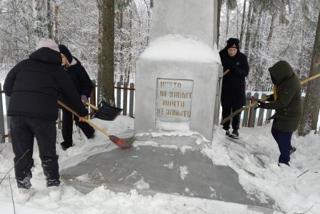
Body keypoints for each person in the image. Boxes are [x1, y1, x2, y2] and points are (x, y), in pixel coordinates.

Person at [4, 39, 88, 189]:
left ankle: (23, 187)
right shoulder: (57, 71)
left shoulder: (22, 65)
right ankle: (53, 186)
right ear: (56, 53)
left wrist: (22, 96)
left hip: (18, 116)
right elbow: (71, 94)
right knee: (47, 152)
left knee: (22, 153)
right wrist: (82, 113)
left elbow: (7, 87)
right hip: (43, 117)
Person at [256, 60, 302, 166]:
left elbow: (281, 103)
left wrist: (264, 105)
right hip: (284, 113)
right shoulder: (285, 81)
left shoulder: (291, 85)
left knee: (283, 137)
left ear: (281, 74)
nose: (273, 79)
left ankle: (284, 161)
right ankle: (288, 148)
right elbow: (280, 96)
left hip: (290, 115)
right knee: (275, 131)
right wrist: (270, 98)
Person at [58, 44, 95, 150]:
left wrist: (84, 95)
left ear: (67, 56)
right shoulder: (59, 70)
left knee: (80, 119)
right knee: (66, 121)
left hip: (78, 100)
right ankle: (67, 143)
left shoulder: (77, 68)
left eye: (62, 57)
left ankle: (91, 135)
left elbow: (87, 84)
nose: (60, 59)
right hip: (66, 100)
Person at [219, 38, 249, 139]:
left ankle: (235, 129)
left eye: (234, 50)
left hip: (238, 89)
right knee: (226, 108)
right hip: (225, 88)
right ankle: (225, 127)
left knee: (237, 109)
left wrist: (236, 69)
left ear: (237, 49)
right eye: (230, 50)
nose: (232, 52)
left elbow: (245, 72)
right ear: (227, 48)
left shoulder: (242, 58)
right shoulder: (221, 55)